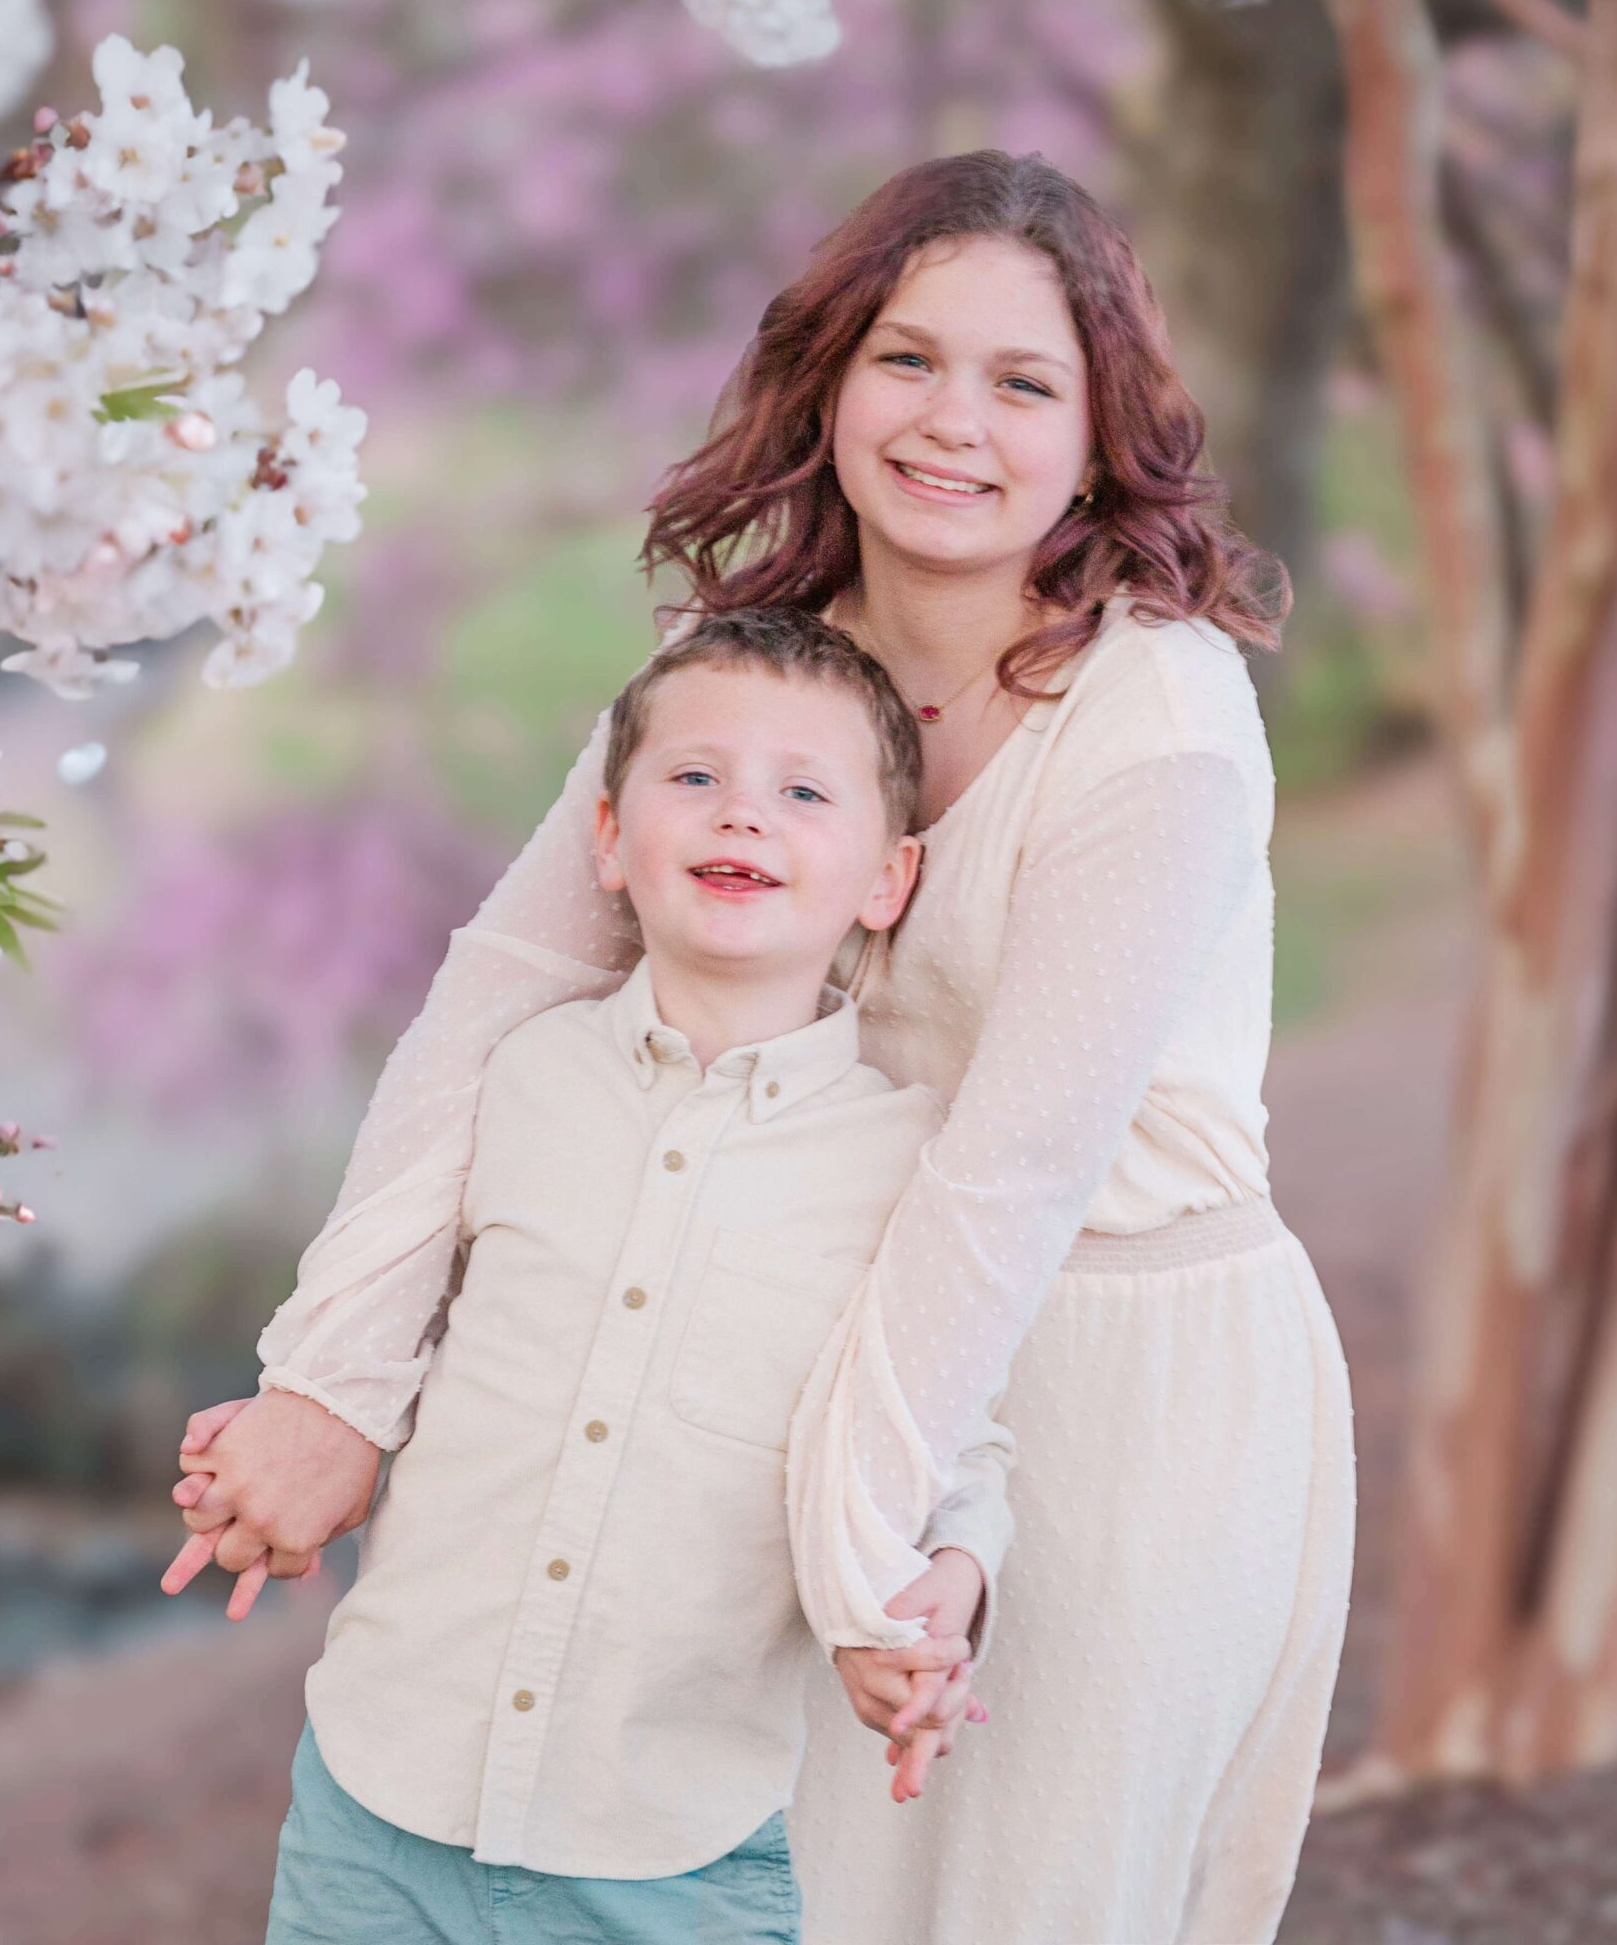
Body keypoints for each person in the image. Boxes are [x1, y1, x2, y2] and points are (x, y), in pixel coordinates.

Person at [174, 150, 1357, 1945]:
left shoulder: (1162, 719)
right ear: (831, 376)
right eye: (910, 359)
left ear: (1100, 432)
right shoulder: (755, 687)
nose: (955, 421)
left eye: (1025, 383)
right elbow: (501, 997)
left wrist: (867, 1547)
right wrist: (338, 1380)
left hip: (1110, 1381)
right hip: (819, 1337)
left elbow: (1011, 1170)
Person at [168, 608, 1008, 1944]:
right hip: (374, 1811)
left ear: (887, 878)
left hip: (667, 1860)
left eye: (802, 792)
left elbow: (956, 1427)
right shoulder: (517, 1079)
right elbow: (392, 1308)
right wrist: (308, 1407)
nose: (744, 816)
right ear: (610, 840)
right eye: (695, 779)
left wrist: (949, 1577)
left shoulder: (910, 1169)